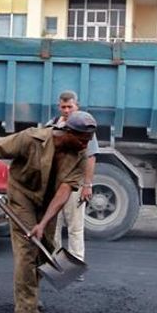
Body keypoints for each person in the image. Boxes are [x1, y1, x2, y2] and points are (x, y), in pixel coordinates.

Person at [0, 111, 96, 313]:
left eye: (88, 140)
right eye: (81, 139)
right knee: (27, 250)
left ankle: (30, 297)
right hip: (22, 196)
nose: (84, 145)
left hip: (47, 202)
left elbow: (64, 190)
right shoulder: (31, 138)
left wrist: (44, 222)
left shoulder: (79, 154)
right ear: (67, 132)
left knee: (43, 251)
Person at [49, 91, 98, 279]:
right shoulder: (51, 125)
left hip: (75, 186)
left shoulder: (84, 127)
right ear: (59, 107)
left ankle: (76, 268)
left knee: (75, 228)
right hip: (55, 186)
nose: (67, 110)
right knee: (53, 228)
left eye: (70, 106)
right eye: (64, 107)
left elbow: (90, 157)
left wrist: (88, 185)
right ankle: (56, 265)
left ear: (77, 106)